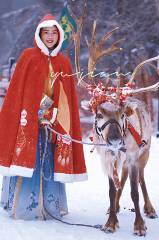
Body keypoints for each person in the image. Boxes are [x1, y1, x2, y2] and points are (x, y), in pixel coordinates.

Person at [0, 14, 87, 220]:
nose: (50, 36)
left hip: (53, 123)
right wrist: (32, 113)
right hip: (28, 121)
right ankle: (24, 206)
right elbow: (18, 91)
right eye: (46, 32)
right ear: (39, 34)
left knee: (49, 162)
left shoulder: (64, 62)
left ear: (59, 35)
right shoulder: (28, 56)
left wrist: (55, 115)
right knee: (28, 160)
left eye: (54, 32)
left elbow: (66, 98)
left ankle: (49, 206)